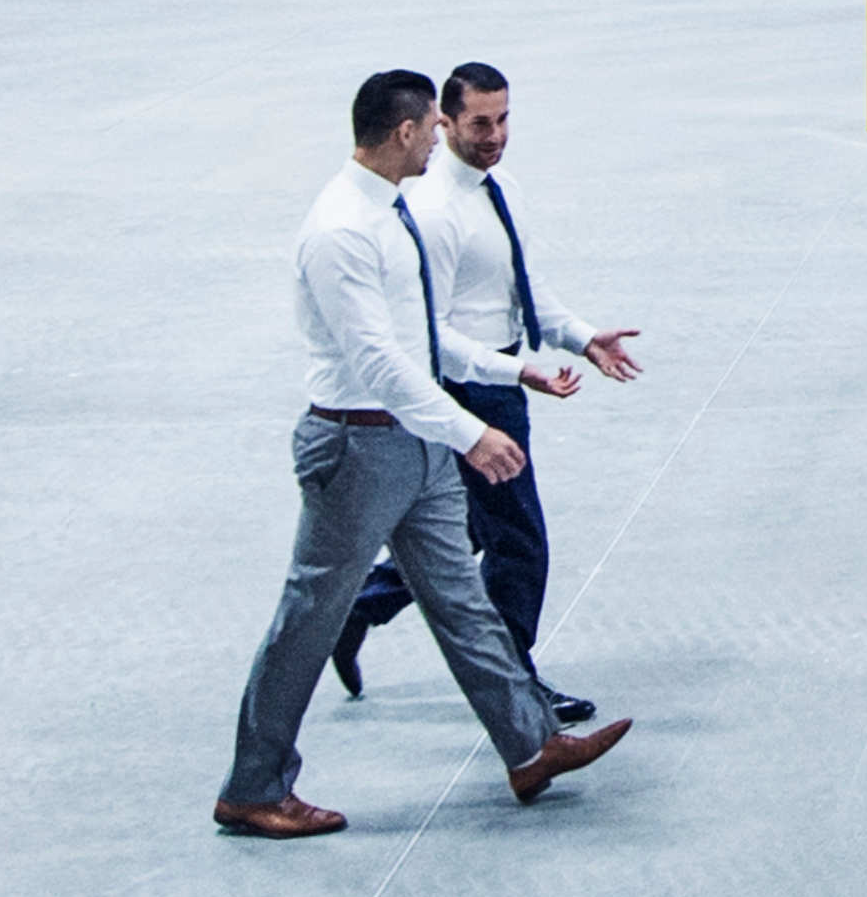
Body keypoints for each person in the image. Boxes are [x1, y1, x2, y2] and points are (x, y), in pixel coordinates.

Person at [214, 69, 635, 839]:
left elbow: (426, 340)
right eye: (436, 125)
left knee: (464, 603)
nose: (444, 137)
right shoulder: (343, 229)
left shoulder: (392, 212)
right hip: (356, 448)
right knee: (309, 618)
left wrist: (516, 369)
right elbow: (377, 361)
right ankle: (253, 787)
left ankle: (530, 746)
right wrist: (469, 432)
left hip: (411, 441)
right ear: (408, 131)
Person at [330, 63, 647, 726]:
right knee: (519, 541)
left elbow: (522, 291)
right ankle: (517, 684)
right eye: (480, 122)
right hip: (470, 390)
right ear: (442, 122)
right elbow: (429, 335)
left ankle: (358, 605)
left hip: (502, 378)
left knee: (471, 526)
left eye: (503, 119)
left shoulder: (501, 190)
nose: (495, 135)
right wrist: (515, 374)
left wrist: (583, 338)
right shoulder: (436, 213)